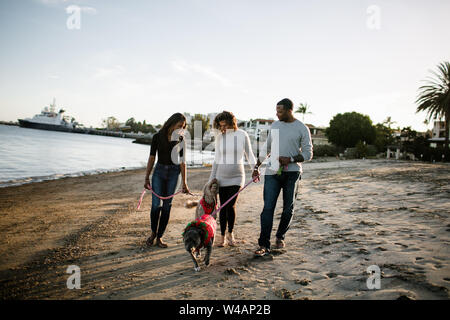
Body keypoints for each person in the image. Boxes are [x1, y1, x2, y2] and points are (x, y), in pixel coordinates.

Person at [253, 98, 313, 256]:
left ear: (289, 110)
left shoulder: (302, 128)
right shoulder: (275, 125)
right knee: (268, 208)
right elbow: (267, 147)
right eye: (276, 110)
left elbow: (308, 154)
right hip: (273, 172)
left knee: (288, 209)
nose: (277, 113)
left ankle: (280, 236)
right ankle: (264, 245)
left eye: (280, 111)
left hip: (292, 173)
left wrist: (291, 159)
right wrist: (256, 166)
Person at [210, 111, 257, 247]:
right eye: (220, 126)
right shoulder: (220, 137)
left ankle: (230, 233)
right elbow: (216, 160)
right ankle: (222, 236)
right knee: (223, 206)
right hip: (221, 177)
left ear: (232, 123)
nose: (222, 129)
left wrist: (255, 169)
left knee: (230, 205)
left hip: (237, 177)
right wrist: (212, 178)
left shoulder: (242, 135)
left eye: (225, 125)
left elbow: (249, 154)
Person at [144, 113, 190, 248]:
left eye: (183, 127)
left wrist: (184, 183)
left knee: (166, 207)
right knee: (155, 206)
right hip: (159, 172)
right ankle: (153, 233)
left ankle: (159, 237)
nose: (181, 129)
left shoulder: (181, 140)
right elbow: (152, 158)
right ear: (171, 124)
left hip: (174, 174)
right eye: (179, 126)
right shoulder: (157, 137)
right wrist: (147, 177)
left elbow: (183, 162)